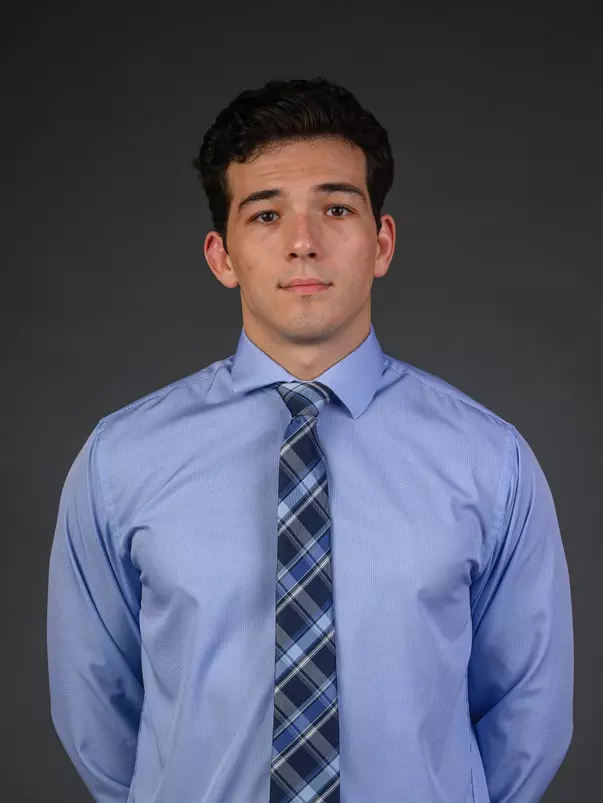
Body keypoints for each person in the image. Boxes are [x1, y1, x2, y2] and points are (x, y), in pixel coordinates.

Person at [47, 76, 574, 803]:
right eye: (265, 215)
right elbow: (94, 707)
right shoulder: (120, 460)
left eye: (335, 207)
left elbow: (528, 710)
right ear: (221, 255)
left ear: (380, 241)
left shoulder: (489, 459)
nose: (303, 242)